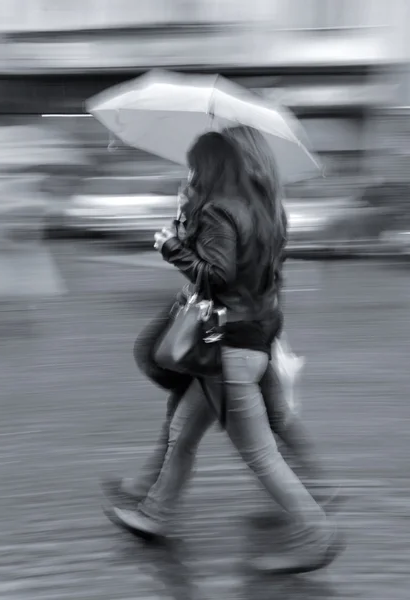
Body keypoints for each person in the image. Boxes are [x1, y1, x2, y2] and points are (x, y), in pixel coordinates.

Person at [105, 131, 344, 574]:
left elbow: (216, 276)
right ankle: (154, 514)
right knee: (182, 430)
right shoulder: (269, 208)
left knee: (260, 456)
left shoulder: (219, 209)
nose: (190, 172)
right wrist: (186, 222)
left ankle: (317, 535)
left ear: (211, 167)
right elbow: (258, 275)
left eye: (195, 164)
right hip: (251, 338)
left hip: (229, 345)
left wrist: (171, 246)